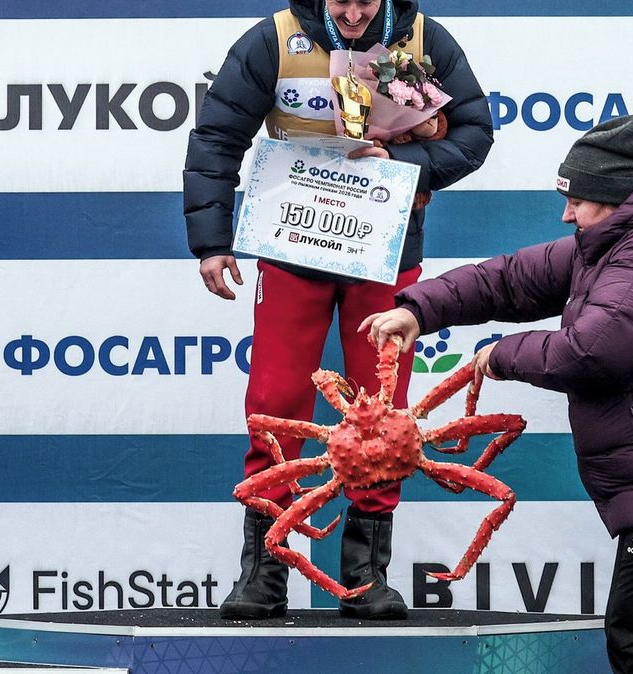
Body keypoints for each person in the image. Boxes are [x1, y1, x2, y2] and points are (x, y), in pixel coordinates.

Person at [362, 115, 633, 673]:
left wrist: (502, 354)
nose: (566, 214)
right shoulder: (608, 243)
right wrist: (418, 309)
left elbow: (591, 353)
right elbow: (507, 279)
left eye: (577, 200)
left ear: (616, 196)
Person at [183, 0, 491, 621]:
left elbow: (474, 133)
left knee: (384, 410)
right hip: (293, 241)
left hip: (385, 245)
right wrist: (211, 240)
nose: (351, 13)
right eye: (339, 0)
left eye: (364, 0)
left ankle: (365, 575)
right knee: (274, 401)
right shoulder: (274, 37)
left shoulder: (424, 37)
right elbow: (217, 136)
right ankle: (264, 570)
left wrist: (403, 162)